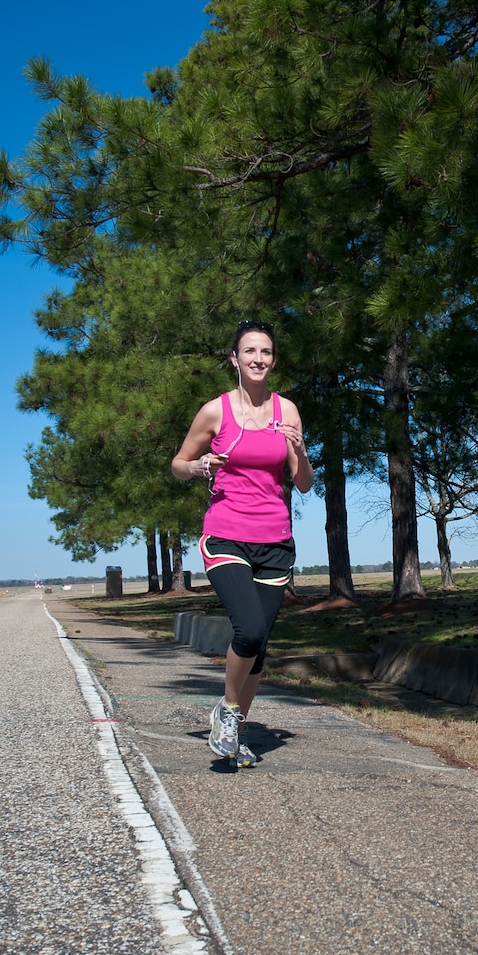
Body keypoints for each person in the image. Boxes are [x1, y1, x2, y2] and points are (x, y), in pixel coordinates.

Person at [170, 320, 315, 766]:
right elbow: (178, 462)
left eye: (266, 352)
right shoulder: (215, 412)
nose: (258, 359)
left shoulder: (286, 411)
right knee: (248, 630)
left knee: (260, 644)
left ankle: (232, 728)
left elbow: (303, 484)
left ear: (273, 360)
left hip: (276, 540)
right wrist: (198, 469)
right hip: (227, 533)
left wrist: (302, 450)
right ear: (235, 359)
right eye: (249, 351)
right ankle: (228, 712)